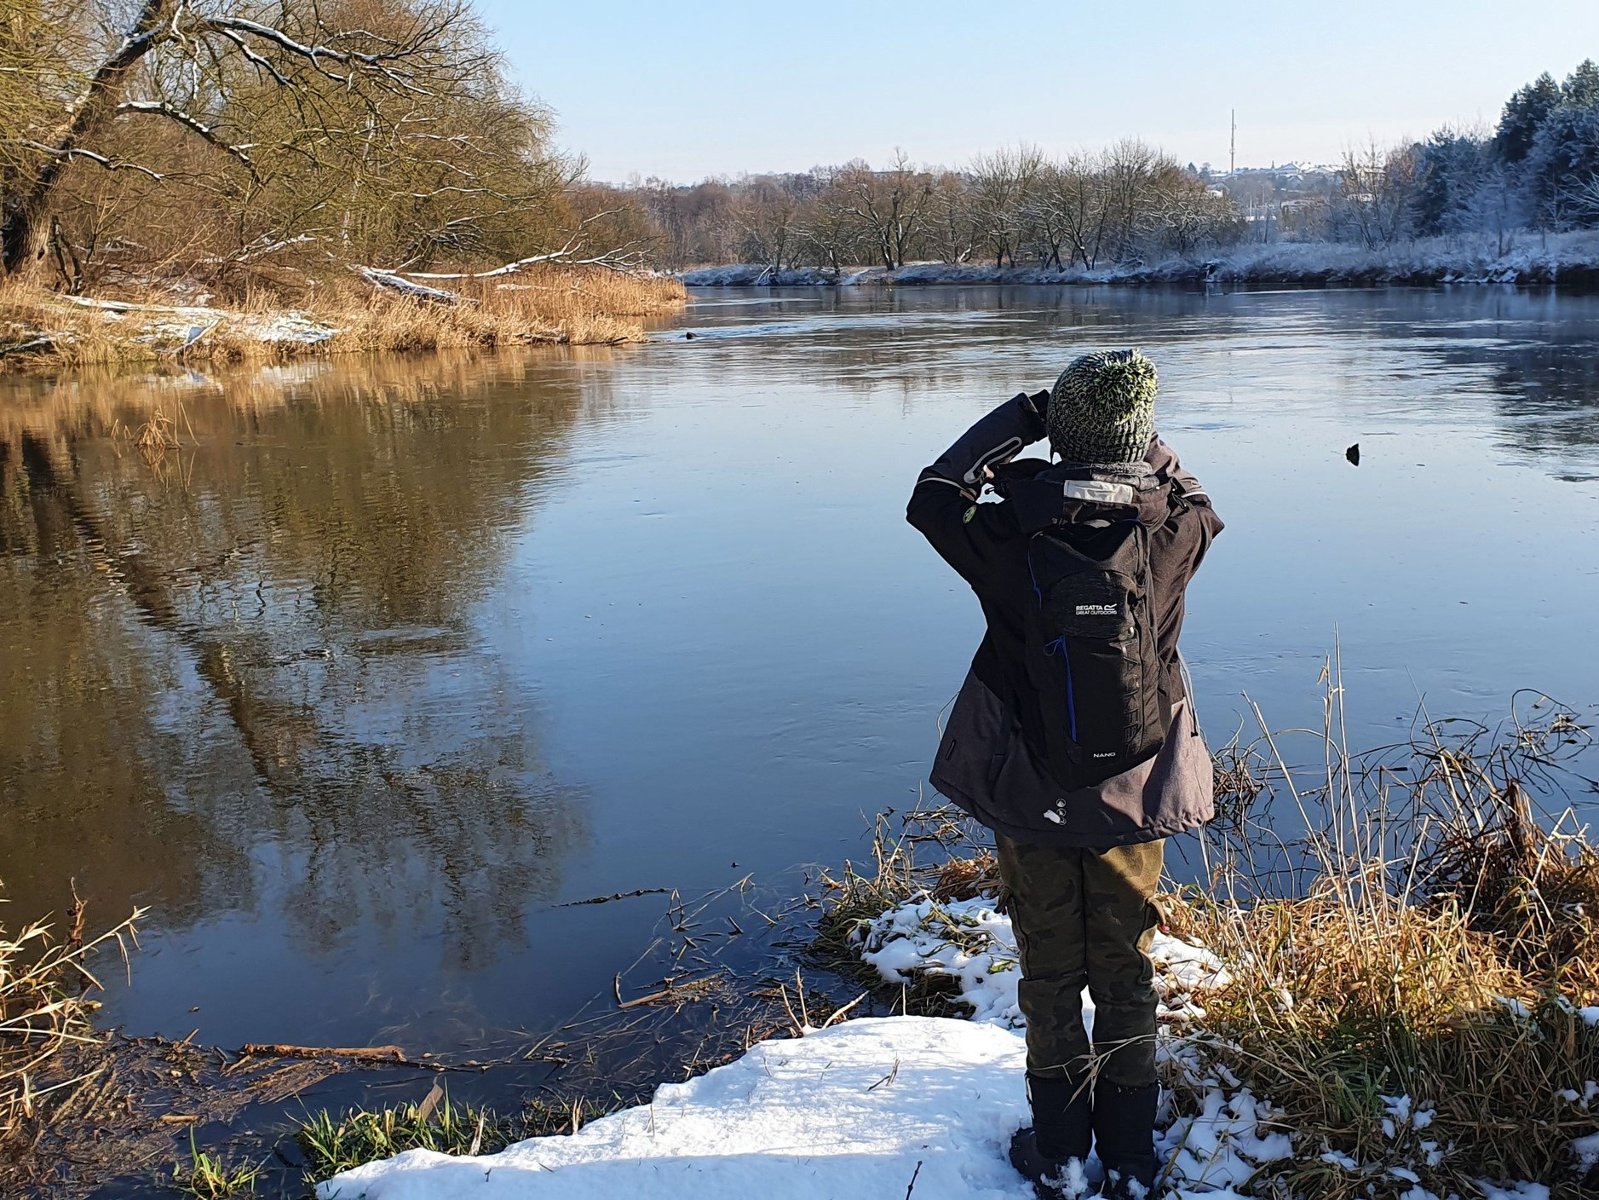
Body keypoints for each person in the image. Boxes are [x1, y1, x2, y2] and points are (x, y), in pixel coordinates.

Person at [905, 350, 1222, 1200]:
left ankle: (1057, 1153)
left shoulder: (1007, 535)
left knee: (1049, 972)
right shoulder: (1172, 532)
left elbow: (932, 496)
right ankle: (1126, 1156)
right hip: (1133, 793)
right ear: (1136, 434)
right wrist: (1144, 446)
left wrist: (1019, 418)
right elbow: (1197, 498)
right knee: (1124, 965)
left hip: (1027, 792)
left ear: (1063, 434)